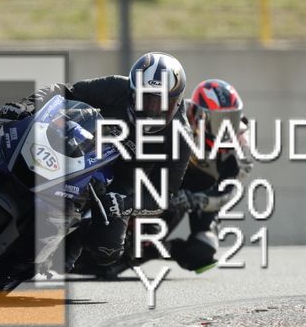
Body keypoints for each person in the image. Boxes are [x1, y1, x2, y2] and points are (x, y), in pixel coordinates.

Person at [0, 52, 191, 271]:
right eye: (145, 99)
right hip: (85, 149)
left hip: (124, 179)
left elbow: (163, 195)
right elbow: (64, 91)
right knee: (6, 134)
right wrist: (25, 105)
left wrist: (125, 204)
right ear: (132, 91)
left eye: (161, 103)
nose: (151, 109)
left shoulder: (181, 136)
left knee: (108, 250)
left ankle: (74, 239)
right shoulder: (115, 87)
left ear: (177, 101)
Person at [71, 78, 254, 278]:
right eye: (218, 121)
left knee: (203, 251)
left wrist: (197, 200)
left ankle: (151, 249)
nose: (225, 129)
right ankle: (108, 226)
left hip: (204, 194)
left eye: (231, 119)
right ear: (198, 115)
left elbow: (229, 191)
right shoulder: (177, 119)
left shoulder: (241, 146)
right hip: (167, 178)